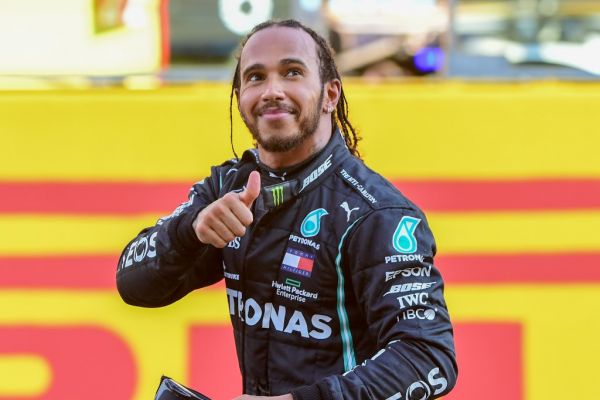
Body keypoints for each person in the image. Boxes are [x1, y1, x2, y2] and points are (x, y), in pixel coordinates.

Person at [116, 19, 457, 400]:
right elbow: (133, 286)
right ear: (240, 97)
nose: (272, 91)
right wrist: (190, 231)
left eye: (292, 72)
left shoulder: (377, 214)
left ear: (330, 95)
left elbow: (428, 357)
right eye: (256, 77)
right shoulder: (227, 188)